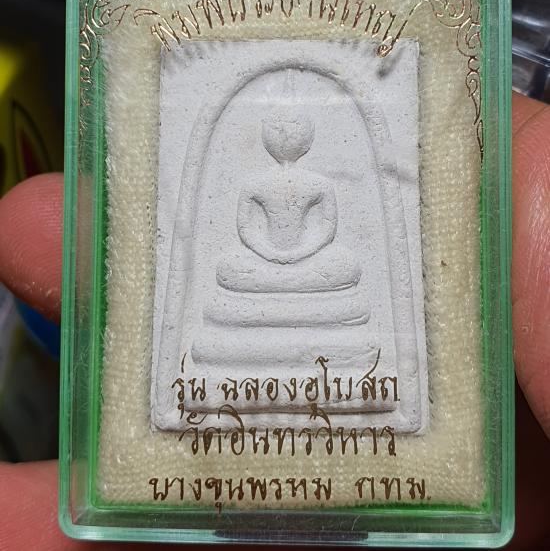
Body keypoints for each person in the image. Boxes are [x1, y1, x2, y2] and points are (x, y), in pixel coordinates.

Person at [0, 92, 548, 549]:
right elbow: (245, 231)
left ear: (306, 139)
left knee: (346, 270)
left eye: (294, 130)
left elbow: (327, 232)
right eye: (279, 130)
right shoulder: (254, 184)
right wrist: (271, 256)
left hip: (313, 269)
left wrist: (299, 256)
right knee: (230, 273)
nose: (286, 138)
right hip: (258, 269)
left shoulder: (320, 184)